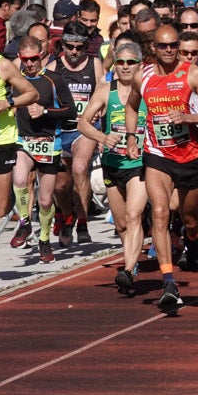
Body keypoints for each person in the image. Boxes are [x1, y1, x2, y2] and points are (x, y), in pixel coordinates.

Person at [124, 24, 198, 311]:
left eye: (173, 46)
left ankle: (192, 241)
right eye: (163, 46)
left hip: (190, 156)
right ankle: (168, 280)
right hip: (157, 155)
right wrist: (133, 137)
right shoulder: (142, 76)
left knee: (190, 219)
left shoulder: (192, 73)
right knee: (159, 211)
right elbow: (132, 106)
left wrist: (188, 118)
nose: (169, 51)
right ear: (153, 48)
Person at [77, 40, 148, 295]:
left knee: (133, 216)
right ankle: (131, 261)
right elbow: (82, 123)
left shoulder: (148, 91)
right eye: (121, 62)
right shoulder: (105, 90)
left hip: (140, 164)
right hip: (112, 163)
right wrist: (102, 137)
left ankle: (128, 269)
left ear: (140, 65)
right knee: (121, 225)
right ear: (114, 65)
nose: (126, 67)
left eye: (131, 62)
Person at [11, 36, 76, 263]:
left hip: (49, 141)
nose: (29, 64)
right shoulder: (14, 78)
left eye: (34, 59)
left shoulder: (53, 79)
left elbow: (71, 111)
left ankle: (45, 240)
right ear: (19, 58)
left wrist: (46, 111)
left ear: (42, 55)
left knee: (46, 200)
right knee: (19, 180)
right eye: (25, 59)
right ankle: (24, 224)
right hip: (24, 140)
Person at [46, 21, 105, 245]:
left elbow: (104, 94)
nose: (74, 52)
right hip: (61, 130)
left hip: (86, 128)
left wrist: (100, 111)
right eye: (70, 47)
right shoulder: (53, 67)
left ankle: (82, 221)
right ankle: (64, 214)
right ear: (63, 45)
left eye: (79, 48)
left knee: (80, 168)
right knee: (61, 184)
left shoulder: (94, 64)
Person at [0, 50, 37, 240]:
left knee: (0, 209)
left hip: (1, 141)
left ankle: (23, 211)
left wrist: (8, 102)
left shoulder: (2, 65)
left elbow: (32, 94)